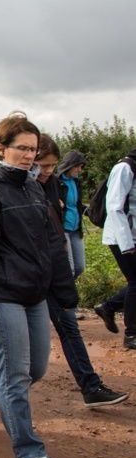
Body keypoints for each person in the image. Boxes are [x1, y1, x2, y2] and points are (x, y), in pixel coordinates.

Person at [0, 112, 78, 458]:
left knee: (35, 368)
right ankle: (29, 448)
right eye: (22, 148)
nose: (30, 155)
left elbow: (52, 244)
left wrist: (65, 290)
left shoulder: (34, 187)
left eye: (33, 148)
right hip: (4, 296)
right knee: (15, 374)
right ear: (1, 149)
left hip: (35, 296)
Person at [0, 134, 128, 408]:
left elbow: (53, 233)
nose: (48, 171)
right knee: (8, 338)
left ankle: (90, 386)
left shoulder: (51, 185)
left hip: (49, 270)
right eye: (43, 164)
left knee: (68, 326)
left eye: (52, 165)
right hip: (18, 279)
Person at [99, 146, 136, 350]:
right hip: (122, 238)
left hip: (132, 236)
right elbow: (114, 206)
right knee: (135, 283)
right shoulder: (124, 168)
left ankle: (108, 307)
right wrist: (127, 244)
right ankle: (131, 335)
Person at [57, 150, 86, 280]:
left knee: (80, 267)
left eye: (81, 167)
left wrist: (88, 211)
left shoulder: (77, 182)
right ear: (69, 165)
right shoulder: (57, 182)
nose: (80, 170)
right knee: (70, 269)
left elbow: (77, 204)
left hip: (76, 229)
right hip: (63, 229)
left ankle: (67, 291)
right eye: (77, 166)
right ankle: (67, 297)